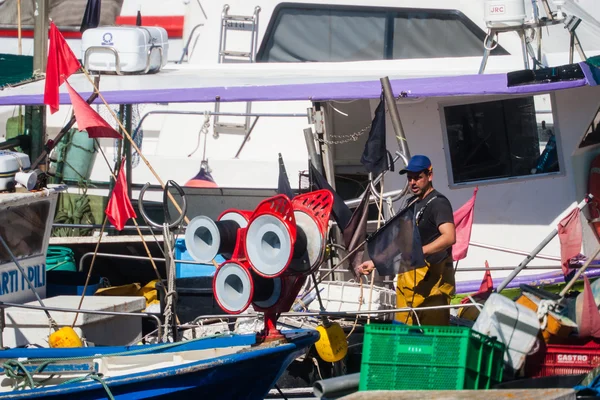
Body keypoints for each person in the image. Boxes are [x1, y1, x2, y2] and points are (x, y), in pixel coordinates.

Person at [358, 155, 456, 325]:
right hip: (408, 279)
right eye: (410, 178)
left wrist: (420, 251)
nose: (413, 182)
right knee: (403, 334)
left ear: (430, 176)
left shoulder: (438, 203)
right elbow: (400, 240)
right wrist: (376, 261)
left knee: (430, 337)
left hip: (433, 282)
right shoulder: (411, 203)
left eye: (418, 177)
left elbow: (449, 237)